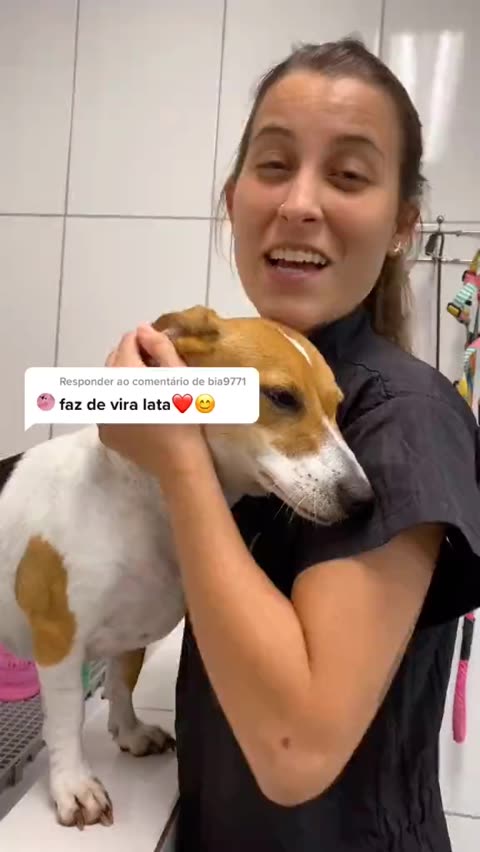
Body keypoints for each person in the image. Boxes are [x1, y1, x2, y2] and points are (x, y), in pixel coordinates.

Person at [99, 37, 480, 852]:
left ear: (402, 225)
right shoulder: (238, 387)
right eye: (273, 166)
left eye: (348, 175)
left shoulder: (404, 418)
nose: (300, 203)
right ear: (233, 199)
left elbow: (293, 749)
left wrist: (174, 457)